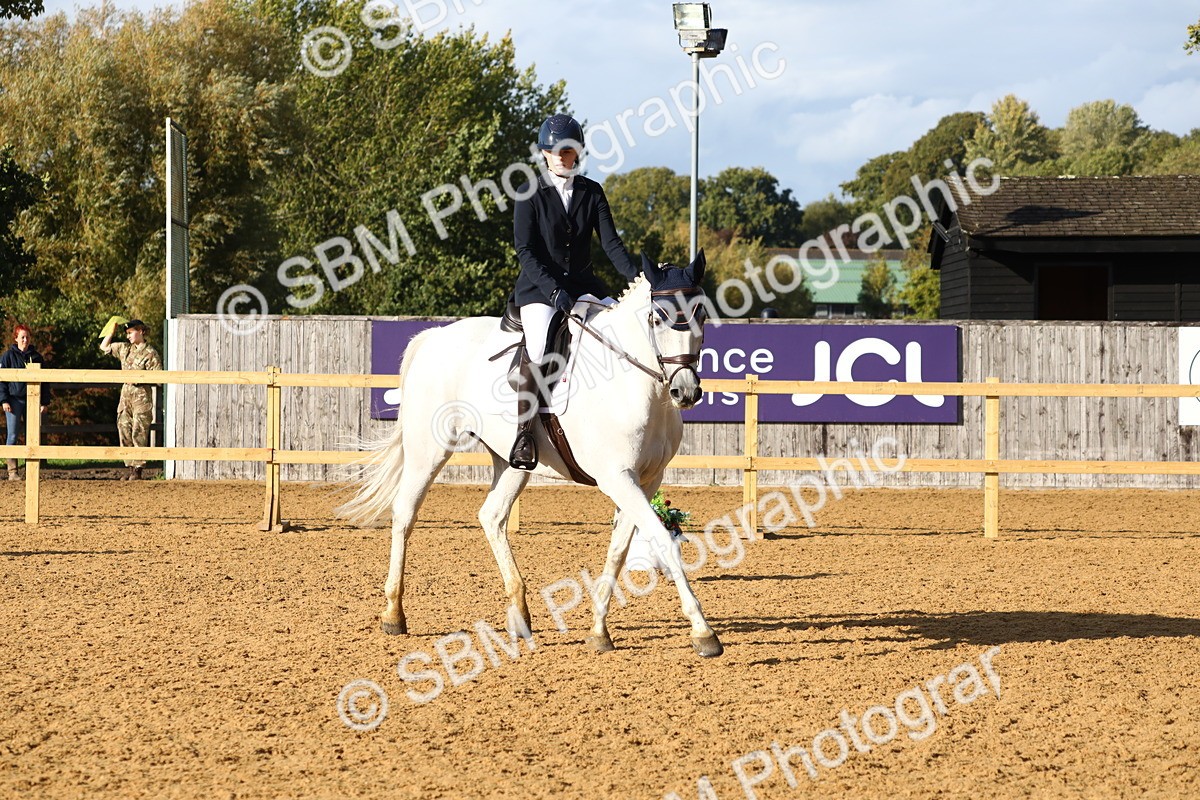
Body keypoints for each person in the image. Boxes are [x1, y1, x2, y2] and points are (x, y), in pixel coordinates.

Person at [508, 113, 642, 470]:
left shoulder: (591, 192)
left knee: (619, 328)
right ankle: (524, 435)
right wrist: (553, 292)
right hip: (539, 291)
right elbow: (526, 252)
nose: (564, 158)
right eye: (557, 152)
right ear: (545, 153)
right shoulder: (529, 193)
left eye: (570, 151)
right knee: (538, 346)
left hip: (583, 286)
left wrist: (640, 280)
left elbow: (612, 246)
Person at [100, 318, 161, 480]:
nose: (128, 336)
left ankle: (138, 469)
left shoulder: (150, 352)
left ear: (141, 331)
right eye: (126, 333)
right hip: (126, 395)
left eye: (130, 332)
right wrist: (111, 331)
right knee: (124, 428)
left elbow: (159, 378)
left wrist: (141, 378)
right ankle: (129, 467)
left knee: (138, 431)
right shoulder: (124, 349)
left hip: (141, 396)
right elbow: (103, 346)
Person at [0, 324, 49, 481]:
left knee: (32, 436)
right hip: (14, 401)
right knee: (12, 435)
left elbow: (45, 381)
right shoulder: (7, 357)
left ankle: (31, 471)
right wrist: (4, 400)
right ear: (16, 338)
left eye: (27, 337)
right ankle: (12, 471)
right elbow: (1, 380)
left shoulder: (37, 357)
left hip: (32, 400)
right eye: (22, 337)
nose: (25, 340)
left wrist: (44, 402)